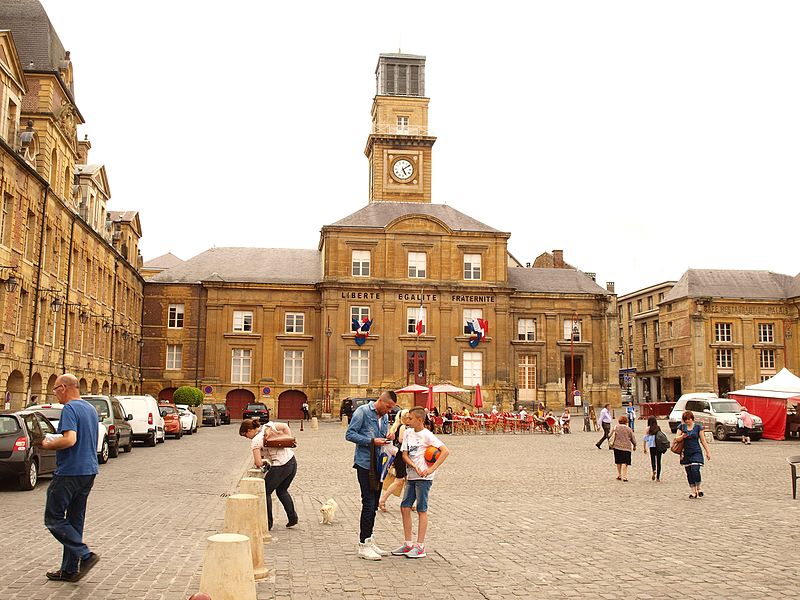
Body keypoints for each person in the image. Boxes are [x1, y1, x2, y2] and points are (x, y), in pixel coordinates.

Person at [39, 374, 100, 582]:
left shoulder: (70, 409)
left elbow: (70, 439)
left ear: (63, 387)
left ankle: (85, 555)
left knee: (53, 518)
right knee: (75, 520)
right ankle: (70, 569)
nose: (54, 393)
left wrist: (48, 444)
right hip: (88, 470)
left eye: (55, 389)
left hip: (70, 471)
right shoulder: (90, 409)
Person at [345, 390, 397, 560]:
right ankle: (363, 544)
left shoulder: (385, 418)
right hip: (365, 464)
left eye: (391, 409)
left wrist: (388, 437)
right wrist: (371, 441)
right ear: (380, 401)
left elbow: (381, 438)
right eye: (388, 407)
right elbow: (350, 434)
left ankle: (370, 539)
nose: (389, 411)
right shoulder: (362, 412)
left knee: (374, 503)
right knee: (368, 503)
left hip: (379, 465)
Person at [392, 406, 449, 559]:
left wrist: (431, 470)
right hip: (411, 475)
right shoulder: (408, 433)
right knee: (404, 507)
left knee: (421, 509)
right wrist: (413, 465)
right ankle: (408, 543)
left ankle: (420, 546)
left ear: (419, 420)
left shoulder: (427, 435)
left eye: (410, 418)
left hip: (424, 478)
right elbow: (404, 454)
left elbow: (445, 451)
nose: (407, 421)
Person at [239, 418, 298, 530]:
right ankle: (292, 518)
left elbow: (258, 463)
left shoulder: (255, 441)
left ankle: (267, 523)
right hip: (292, 461)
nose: (247, 438)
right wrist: (286, 441)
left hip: (280, 465)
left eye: (245, 435)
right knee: (282, 490)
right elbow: (285, 426)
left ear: (249, 431)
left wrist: (264, 462)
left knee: (265, 491)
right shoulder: (267, 427)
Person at [675, 410, 711, 498]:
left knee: (695, 469)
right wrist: (682, 436)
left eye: (689, 419)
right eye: (685, 419)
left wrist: (707, 451)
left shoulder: (698, 427)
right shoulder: (682, 427)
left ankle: (698, 487)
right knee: (689, 472)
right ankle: (693, 491)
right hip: (686, 452)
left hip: (696, 451)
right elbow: (676, 439)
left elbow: (702, 440)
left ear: (692, 419)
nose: (687, 421)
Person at [379, 409, 410, 511]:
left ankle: (409, 502)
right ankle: (382, 500)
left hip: (399, 455)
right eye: (408, 417)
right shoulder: (403, 427)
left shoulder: (396, 426)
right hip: (401, 456)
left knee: (407, 480)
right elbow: (401, 440)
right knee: (399, 480)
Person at [611, 415, 636, 481]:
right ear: (626, 422)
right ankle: (624, 476)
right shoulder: (629, 429)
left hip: (617, 447)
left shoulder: (616, 428)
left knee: (618, 461)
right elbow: (632, 438)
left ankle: (619, 474)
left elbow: (610, 435)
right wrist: (634, 445)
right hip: (626, 447)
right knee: (625, 462)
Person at [642, 415, 664, 482]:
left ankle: (654, 470)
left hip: (652, 446)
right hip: (658, 446)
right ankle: (658, 477)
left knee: (653, 459)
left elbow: (645, 438)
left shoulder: (648, 428)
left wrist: (644, 447)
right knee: (659, 461)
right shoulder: (658, 428)